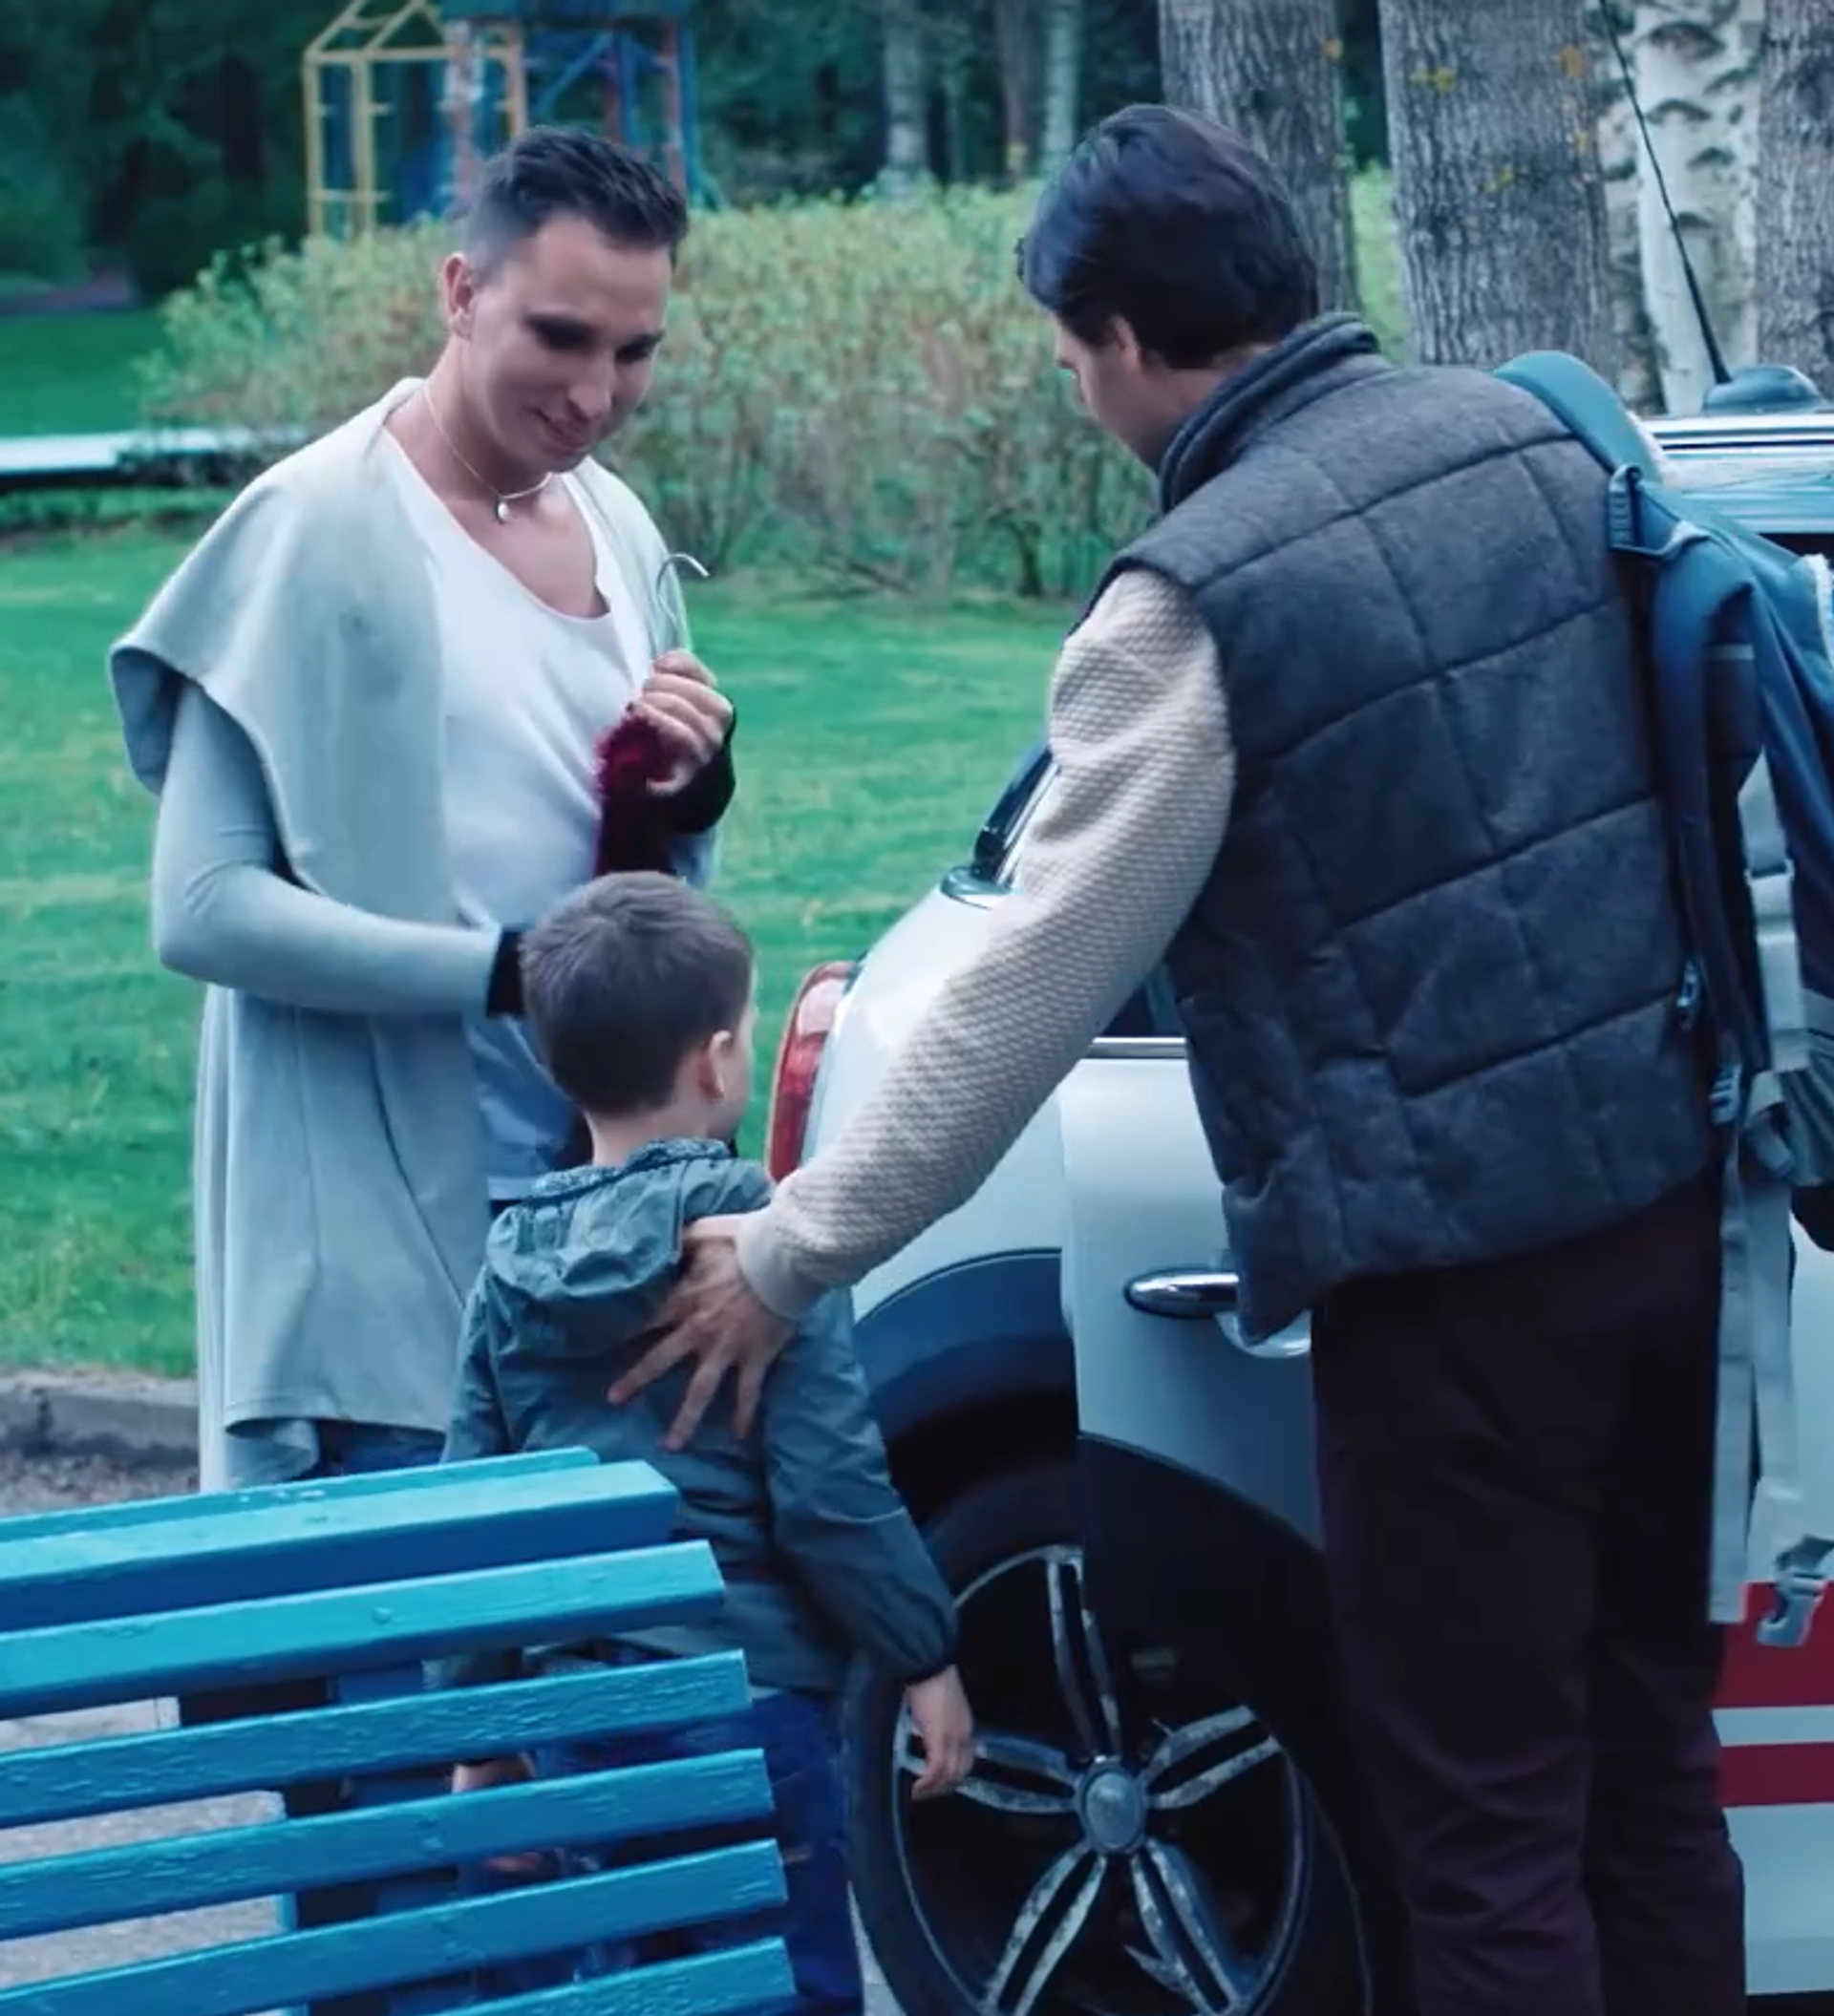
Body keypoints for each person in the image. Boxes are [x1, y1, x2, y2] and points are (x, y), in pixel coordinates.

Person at [613, 106, 1746, 2016]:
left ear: (1129, 339)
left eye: (1072, 351)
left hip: (1449, 1291)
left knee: (1482, 1826)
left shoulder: (1190, 605)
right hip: (1660, 1217)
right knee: (1650, 1766)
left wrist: (793, 1249)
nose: (1076, 391)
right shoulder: (1539, 445)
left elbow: (1024, 991)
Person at [108, 126, 736, 1494]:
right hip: (375, 1251)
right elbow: (201, 909)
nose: (595, 393)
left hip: (593, 1228)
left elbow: (632, 874)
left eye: (634, 351)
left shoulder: (619, 525)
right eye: (559, 336)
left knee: (581, 1619)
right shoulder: (313, 527)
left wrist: (691, 793)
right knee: (389, 1614)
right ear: (461, 292)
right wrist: (509, 974)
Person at [441, 871, 975, 2007]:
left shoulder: (511, 1264)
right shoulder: (762, 1242)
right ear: (719, 1060)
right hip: (746, 1699)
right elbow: (828, 1488)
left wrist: (482, 1725)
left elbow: (477, 1515)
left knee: (627, 1983)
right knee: (780, 1977)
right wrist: (923, 1653)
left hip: (577, 1707)